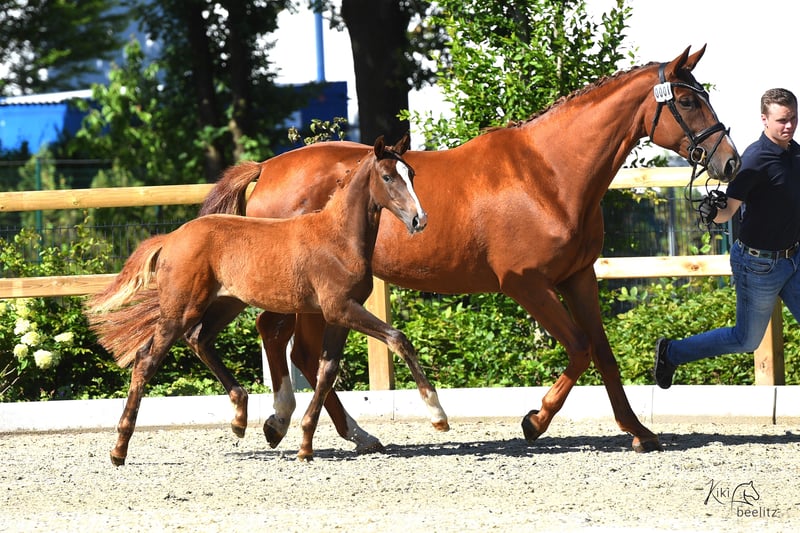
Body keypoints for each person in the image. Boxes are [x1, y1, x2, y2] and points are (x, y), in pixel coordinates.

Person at [654, 87, 800, 389]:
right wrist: (712, 212)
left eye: (793, 119)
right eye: (782, 120)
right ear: (764, 119)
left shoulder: (796, 153)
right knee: (745, 340)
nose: (789, 126)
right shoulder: (755, 159)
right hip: (759, 266)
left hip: (794, 259)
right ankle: (672, 352)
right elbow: (727, 211)